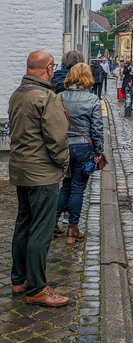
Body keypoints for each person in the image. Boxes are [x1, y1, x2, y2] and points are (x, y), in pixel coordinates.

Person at [8, 50, 70, 306]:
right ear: (48, 69)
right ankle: (37, 288)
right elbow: (56, 139)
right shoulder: (45, 96)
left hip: (21, 169)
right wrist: (64, 161)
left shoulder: (17, 95)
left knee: (23, 223)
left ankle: (19, 279)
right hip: (42, 173)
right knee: (41, 230)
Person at [55, 63, 105, 244]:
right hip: (84, 148)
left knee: (65, 186)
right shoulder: (92, 100)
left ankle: (53, 223)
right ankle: (72, 229)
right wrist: (99, 151)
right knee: (77, 188)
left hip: (63, 147)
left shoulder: (59, 97)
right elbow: (97, 129)